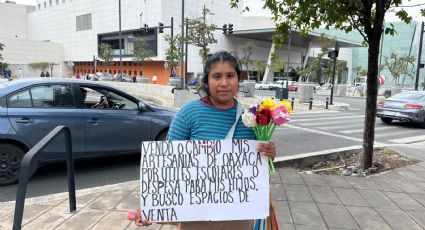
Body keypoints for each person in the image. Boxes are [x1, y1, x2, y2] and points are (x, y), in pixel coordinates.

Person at [133, 51, 276, 229]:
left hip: (238, 214)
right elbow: (167, 163)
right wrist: (149, 205)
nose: (224, 83)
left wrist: (270, 152)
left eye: (230, 76)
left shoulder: (250, 118)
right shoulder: (188, 113)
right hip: (197, 216)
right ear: (206, 81)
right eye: (217, 76)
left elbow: (259, 162)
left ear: (238, 80)